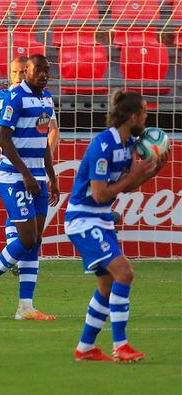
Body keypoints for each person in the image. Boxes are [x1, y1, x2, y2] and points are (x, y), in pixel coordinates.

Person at [67, 91, 167, 362]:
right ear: (133, 116)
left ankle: (85, 348)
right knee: (125, 273)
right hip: (83, 219)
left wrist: (149, 173)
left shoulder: (128, 145)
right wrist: (134, 175)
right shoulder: (103, 145)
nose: (147, 117)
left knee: (107, 285)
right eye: (144, 112)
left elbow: (120, 188)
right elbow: (100, 194)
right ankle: (121, 345)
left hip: (99, 218)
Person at [0, 56, 60, 320]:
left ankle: (25, 306)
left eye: (46, 70)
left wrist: (52, 176)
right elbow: (3, 139)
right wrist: (25, 174)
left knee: (35, 242)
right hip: (14, 177)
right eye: (36, 70)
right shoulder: (14, 98)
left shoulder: (47, 100)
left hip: (39, 178)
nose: (42, 74)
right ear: (26, 72)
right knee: (27, 238)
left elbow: (44, 140)